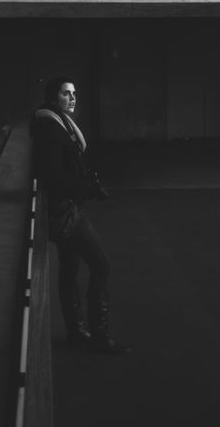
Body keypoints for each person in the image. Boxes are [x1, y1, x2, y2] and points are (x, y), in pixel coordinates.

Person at [30, 76, 130, 354]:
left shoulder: (55, 122)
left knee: (70, 268)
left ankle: (77, 331)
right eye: (65, 93)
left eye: (74, 93)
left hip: (63, 207)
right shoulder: (49, 128)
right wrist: (86, 187)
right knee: (101, 264)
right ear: (53, 98)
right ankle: (99, 336)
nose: (72, 98)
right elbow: (56, 178)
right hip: (64, 212)